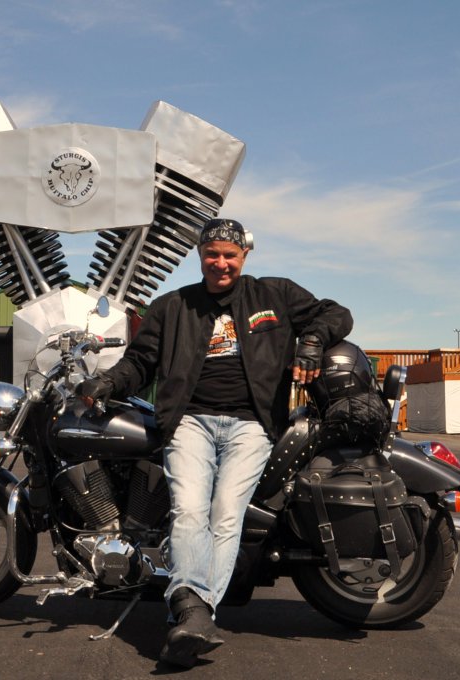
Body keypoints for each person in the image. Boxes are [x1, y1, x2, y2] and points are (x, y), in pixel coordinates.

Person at [78, 218, 353, 668]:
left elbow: (337, 313)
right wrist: (107, 382)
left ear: (244, 256)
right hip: (190, 422)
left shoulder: (274, 295)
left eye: (230, 255)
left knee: (226, 514)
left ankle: (191, 611)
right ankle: (195, 617)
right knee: (189, 511)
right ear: (199, 255)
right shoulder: (171, 306)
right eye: (212, 254)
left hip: (251, 424)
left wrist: (312, 340)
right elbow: (141, 362)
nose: (220, 263)